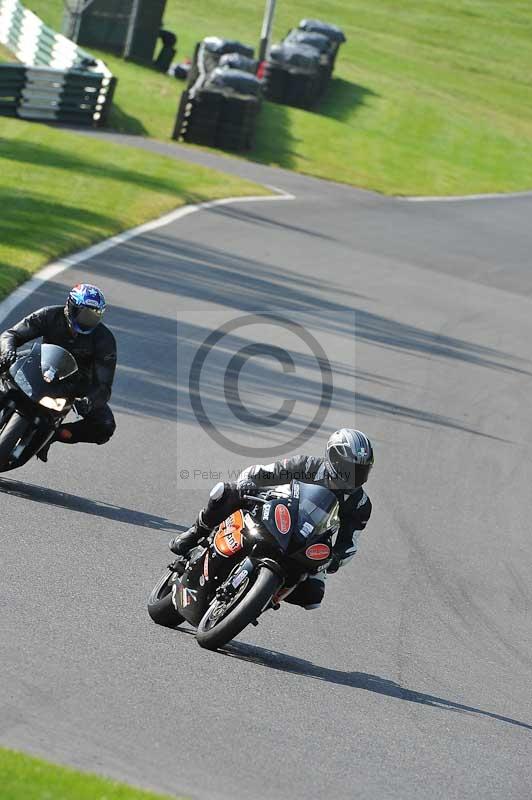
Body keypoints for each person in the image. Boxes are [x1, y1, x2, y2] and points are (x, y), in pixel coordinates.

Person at [170, 428, 374, 610]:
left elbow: (349, 543)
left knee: (313, 596)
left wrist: (335, 559)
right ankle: (196, 532)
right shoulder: (308, 466)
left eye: (361, 470)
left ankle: (260, 600)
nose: (355, 475)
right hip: (276, 513)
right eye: (350, 468)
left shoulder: (360, 504)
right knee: (226, 491)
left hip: (307, 543)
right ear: (334, 459)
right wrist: (247, 483)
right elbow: (261, 473)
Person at [0, 284, 117, 462]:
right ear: (71, 306)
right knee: (3, 361)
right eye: (86, 314)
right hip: (39, 365)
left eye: (95, 316)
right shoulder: (48, 315)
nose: (88, 320)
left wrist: (89, 401)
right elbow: (11, 335)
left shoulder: (104, 339)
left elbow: (104, 385)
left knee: (105, 426)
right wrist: (8, 350)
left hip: (76, 384)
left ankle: (52, 436)